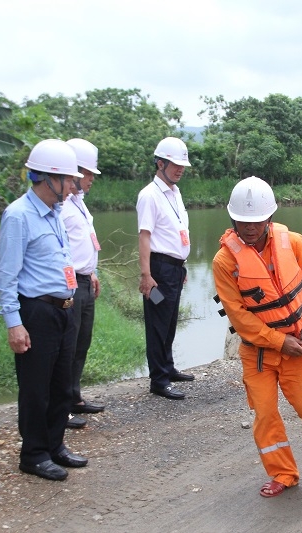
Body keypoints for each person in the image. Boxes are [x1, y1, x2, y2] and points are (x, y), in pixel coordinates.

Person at [212, 176, 302, 499]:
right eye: (243, 220)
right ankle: (283, 473)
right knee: (265, 414)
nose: (250, 227)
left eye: (256, 220)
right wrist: (279, 342)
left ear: (269, 217)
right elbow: (239, 317)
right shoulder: (225, 262)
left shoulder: (292, 243)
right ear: (232, 219)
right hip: (259, 353)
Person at [0, 139, 90, 481]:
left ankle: (54, 445)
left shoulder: (55, 213)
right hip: (37, 311)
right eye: (69, 179)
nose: (73, 185)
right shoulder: (19, 216)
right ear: (50, 178)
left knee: (61, 384)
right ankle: (33, 454)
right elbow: (6, 277)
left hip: (64, 309)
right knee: (36, 388)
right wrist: (14, 323)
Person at [136, 137, 195, 400]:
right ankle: (158, 380)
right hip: (158, 270)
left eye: (182, 165)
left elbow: (176, 231)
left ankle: (168, 367)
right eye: (175, 164)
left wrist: (182, 267)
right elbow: (145, 236)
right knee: (157, 324)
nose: (180, 169)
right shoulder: (149, 195)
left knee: (170, 321)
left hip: (174, 269)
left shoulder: (174, 192)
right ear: (160, 163)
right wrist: (146, 275)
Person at [60, 138, 105, 428]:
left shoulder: (79, 204)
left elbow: (82, 243)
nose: (91, 179)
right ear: (74, 172)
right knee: (67, 344)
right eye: (88, 173)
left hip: (86, 280)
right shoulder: (60, 206)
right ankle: (60, 405)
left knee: (81, 342)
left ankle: (73, 396)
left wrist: (92, 272)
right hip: (70, 283)